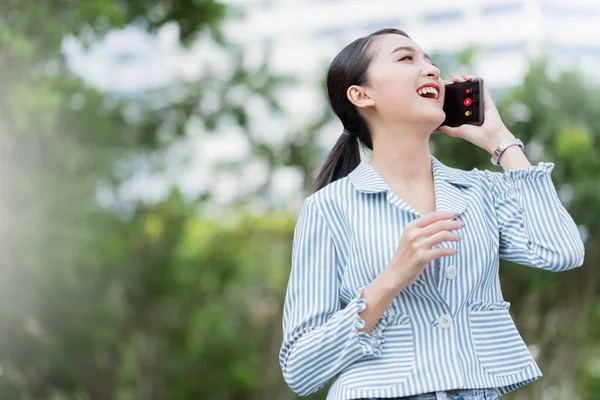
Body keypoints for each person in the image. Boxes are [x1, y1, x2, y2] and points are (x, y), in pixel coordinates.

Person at [278, 28, 585, 400]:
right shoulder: (329, 209)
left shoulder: (480, 192)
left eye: (430, 61)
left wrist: (499, 140)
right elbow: (299, 367)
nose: (431, 70)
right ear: (361, 95)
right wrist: (389, 281)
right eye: (407, 58)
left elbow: (562, 252)